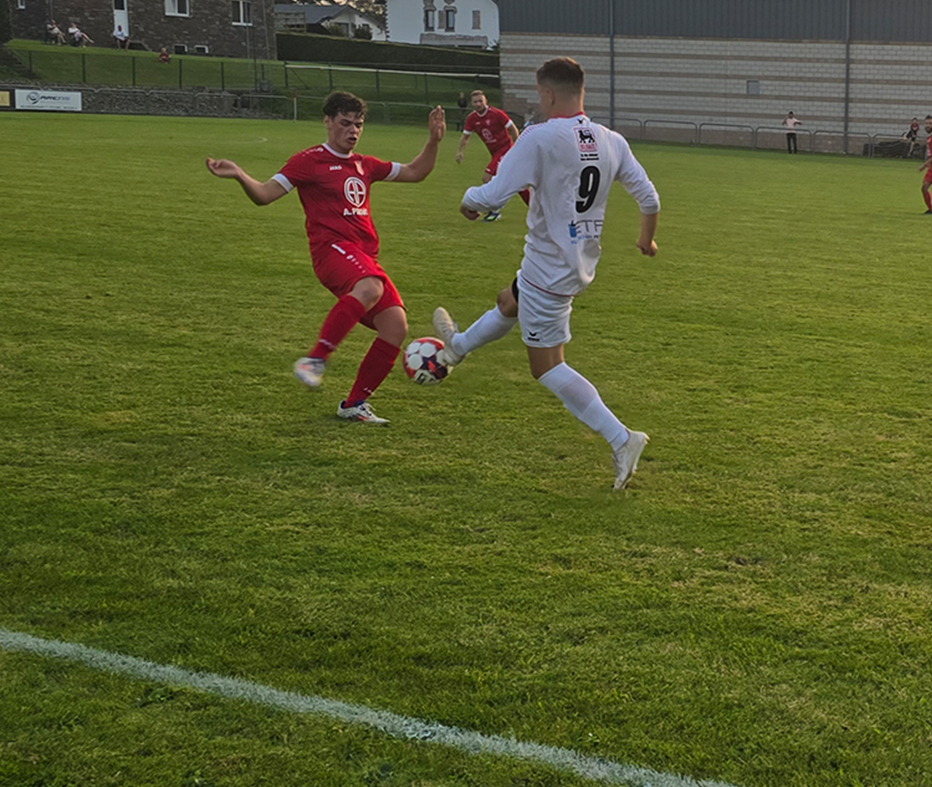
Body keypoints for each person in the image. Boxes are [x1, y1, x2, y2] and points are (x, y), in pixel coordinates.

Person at [431, 57, 659, 491]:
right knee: (508, 301)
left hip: (547, 268)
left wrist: (469, 198)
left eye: (539, 95)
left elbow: (495, 192)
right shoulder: (612, 140)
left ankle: (622, 438)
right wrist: (647, 241)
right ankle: (453, 351)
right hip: (577, 260)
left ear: (549, 93)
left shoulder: (540, 136)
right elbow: (649, 198)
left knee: (547, 367)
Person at [204, 92, 447, 425]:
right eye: (345, 123)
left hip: (362, 256)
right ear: (328, 121)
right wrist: (240, 175)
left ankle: (355, 404)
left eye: (358, 124)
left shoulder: (365, 164)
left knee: (395, 325)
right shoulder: (308, 161)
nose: (353, 130)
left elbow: (417, 172)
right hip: (331, 250)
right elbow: (264, 195)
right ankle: (315, 360)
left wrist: (433, 141)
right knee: (371, 286)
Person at [456, 89, 527, 221]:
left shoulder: (497, 114)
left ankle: (494, 212)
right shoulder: (472, 118)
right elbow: (465, 137)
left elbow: (513, 129)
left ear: (486, 101)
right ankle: (536, 208)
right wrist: (460, 152)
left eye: (480, 101)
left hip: (505, 149)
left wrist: (517, 148)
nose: (478, 104)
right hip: (494, 153)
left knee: (487, 178)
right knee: (517, 182)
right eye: (475, 102)